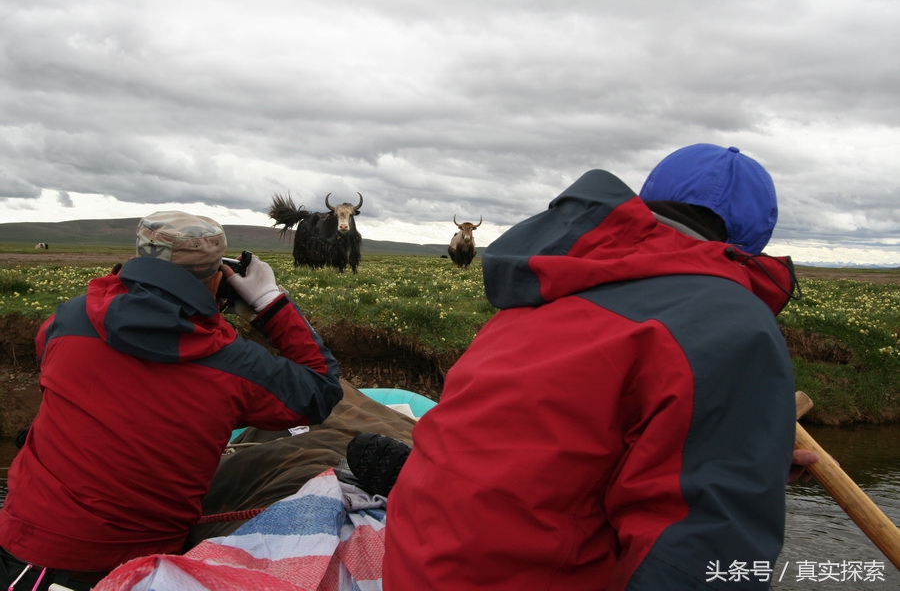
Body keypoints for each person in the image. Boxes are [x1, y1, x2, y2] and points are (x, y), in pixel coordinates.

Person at [384, 144, 804, 590]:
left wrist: (746, 449)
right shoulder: (731, 321)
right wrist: (745, 464)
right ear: (754, 237)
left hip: (416, 563)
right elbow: (702, 554)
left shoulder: (554, 277)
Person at [0, 211, 343, 590]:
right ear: (216, 278)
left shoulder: (70, 320)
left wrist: (128, 287)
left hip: (18, 551)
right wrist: (268, 300)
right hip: (132, 571)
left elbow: (44, 347)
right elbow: (320, 390)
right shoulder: (234, 364)